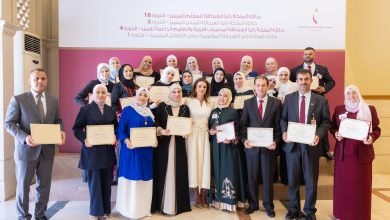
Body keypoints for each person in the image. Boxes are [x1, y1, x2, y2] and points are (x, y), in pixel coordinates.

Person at [4, 68, 66, 220]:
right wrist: (24, 137)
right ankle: (23, 216)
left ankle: (40, 214)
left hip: (46, 150)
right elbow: (9, 123)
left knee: (44, 186)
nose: (40, 81)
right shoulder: (19, 99)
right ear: (30, 81)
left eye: (43, 78)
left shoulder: (53, 101)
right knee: (23, 187)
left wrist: (61, 131)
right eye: (36, 78)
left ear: (46, 80)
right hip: (26, 151)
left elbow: (58, 120)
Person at [281, 69, 331, 220]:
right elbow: (283, 119)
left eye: (306, 79)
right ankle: (293, 209)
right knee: (292, 179)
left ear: (311, 81)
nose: (303, 82)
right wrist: (284, 132)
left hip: (311, 145)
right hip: (292, 145)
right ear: (296, 81)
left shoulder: (321, 100)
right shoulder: (289, 98)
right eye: (300, 79)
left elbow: (326, 122)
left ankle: (309, 211)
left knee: (310, 180)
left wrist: (319, 135)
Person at [331, 85, 381, 220]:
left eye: (354, 93)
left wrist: (372, 138)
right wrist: (336, 134)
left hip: (362, 158)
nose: (351, 95)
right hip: (343, 157)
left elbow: (376, 129)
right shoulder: (339, 109)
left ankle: (360, 215)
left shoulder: (369, 109)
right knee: (343, 187)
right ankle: (341, 213)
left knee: (360, 187)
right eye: (348, 93)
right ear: (345, 95)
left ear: (358, 94)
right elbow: (333, 127)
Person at [72, 84, 117, 220]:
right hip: (92, 152)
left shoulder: (111, 110)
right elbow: (76, 128)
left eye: (103, 92)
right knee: (94, 184)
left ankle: (106, 211)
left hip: (107, 151)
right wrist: (84, 139)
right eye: (98, 92)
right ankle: (95, 212)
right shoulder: (85, 109)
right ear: (92, 94)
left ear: (107, 95)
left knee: (106, 183)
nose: (101, 95)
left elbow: (116, 127)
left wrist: (114, 136)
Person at [240, 76, 281, 217]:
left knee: (268, 178)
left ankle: (268, 206)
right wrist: (244, 140)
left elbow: (278, 126)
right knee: (251, 177)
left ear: (268, 86)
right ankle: (253, 204)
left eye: (264, 85)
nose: (261, 88)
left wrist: (275, 141)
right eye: (258, 85)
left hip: (268, 148)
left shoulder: (276, 103)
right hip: (251, 148)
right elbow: (243, 125)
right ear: (254, 87)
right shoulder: (248, 103)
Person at [115, 87, 157, 219]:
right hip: (131, 151)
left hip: (146, 151)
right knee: (132, 178)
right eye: (140, 95)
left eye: (145, 95)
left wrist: (154, 139)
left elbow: (152, 130)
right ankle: (130, 210)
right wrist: (126, 140)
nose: (142, 97)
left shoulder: (149, 112)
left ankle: (143, 209)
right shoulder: (128, 110)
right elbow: (120, 130)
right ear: (135, 96)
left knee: (144, 179)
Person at [151, 84, 192, 215]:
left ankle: (178, 205)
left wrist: (187, 132)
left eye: (179, 91)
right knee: (164, 171)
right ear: (169, 93)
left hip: (179, 144)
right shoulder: (163, 106)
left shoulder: (185, 108)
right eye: (173, 91)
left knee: (178, 171)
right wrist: (161, 130)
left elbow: (188, 124)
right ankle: (163, 205)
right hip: (164, 145)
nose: (176, 94)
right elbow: (155, 122)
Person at [290, 47, 336, 160]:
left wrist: (324, 89)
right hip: (301, 100)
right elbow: (291, 84)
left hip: (318, 100)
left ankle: (324, 150)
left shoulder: (323, 69)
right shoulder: (295, 70)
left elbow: (331, 82)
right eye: (305, 54)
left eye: (310, 54)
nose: (307, 55)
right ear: (303, 55)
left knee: (320, 125)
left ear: (314, 55)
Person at [208, 88, 246, 212]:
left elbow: (237, 129)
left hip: (229, 148)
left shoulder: (233, 111)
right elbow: (210, 128)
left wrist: (231, 139)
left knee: (228, 170)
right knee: (216, 170)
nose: (222, 98)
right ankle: (217, 200)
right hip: (215, 146)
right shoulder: (213, 111)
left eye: (225, 96)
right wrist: (211, 132)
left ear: (229, 98)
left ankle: (229, 201)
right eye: (220, 95)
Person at [186, 78, 213, 207]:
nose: (202, 89)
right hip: (193, 134)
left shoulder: (210, 102)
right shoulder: (188, 101)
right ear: (195, 88)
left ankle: (204, 193)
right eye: (199, 86)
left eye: (204, 87)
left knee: (205, 162)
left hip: (206, 134)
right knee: (194, 162)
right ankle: (196, 193)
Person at [276, 67, 298, 185]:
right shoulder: (275, 87)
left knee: (290, 149)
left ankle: (291, 178)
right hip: (279, 119)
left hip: (291, 120)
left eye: (285, 75)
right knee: (282, 149)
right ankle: (283, 177)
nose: (283, 77)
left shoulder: (294, 86)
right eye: (281, 75)